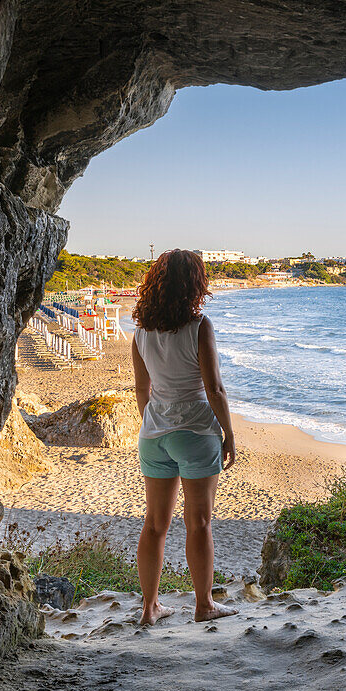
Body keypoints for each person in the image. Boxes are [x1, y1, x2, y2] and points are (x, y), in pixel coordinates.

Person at [130, 249, 238, 625]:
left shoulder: (141, 332)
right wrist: (229, 433)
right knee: (200, 522)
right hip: (194, 431)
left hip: (153, 434)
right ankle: (204, 605)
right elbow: (214, 388)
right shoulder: (199, 326)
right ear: (195, 284)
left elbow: (142, 391)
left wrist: (156, 423)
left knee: (155, 524)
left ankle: (149, 608)